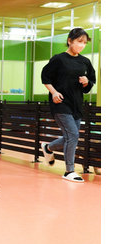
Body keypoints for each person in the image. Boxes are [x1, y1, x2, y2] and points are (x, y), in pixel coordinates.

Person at [41, 28, 96, 182]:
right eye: (79, 41)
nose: (82, 45)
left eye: (84, 43)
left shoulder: (85, 62)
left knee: (71, 136)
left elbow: (90, 82)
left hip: (77, 104)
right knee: (73, 135)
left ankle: (48, 147)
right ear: (70, 41)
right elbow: (45, 77)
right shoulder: (58, 59)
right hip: (60, 103)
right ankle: (69, 171)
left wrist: (87, 82)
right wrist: (53, 92)